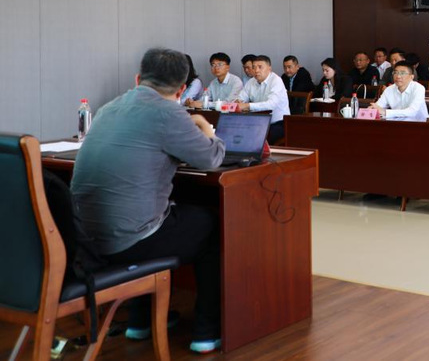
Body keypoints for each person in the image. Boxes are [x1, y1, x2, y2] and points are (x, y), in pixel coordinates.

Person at [71, 47, 225, 353]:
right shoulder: (170, 113)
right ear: (181, 90)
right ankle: (206, 332)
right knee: (208, 223)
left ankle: (140, 321)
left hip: (84, 240)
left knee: (154, 214)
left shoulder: (108, 108)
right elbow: (211, 158)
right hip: (128, 241)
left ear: (138, 78)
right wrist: (208, 130)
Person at [236, 55, 291, 142]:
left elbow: (271, 105)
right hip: (258, 122)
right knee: (236, 132)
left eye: (260, 67)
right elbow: (240, 99)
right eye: (254, 67)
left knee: (253, 136)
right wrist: (238, 102)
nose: (256, 70)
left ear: (269, 68)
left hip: (278, 123)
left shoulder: (276, 81)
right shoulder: (251, 82)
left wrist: (247, 106)